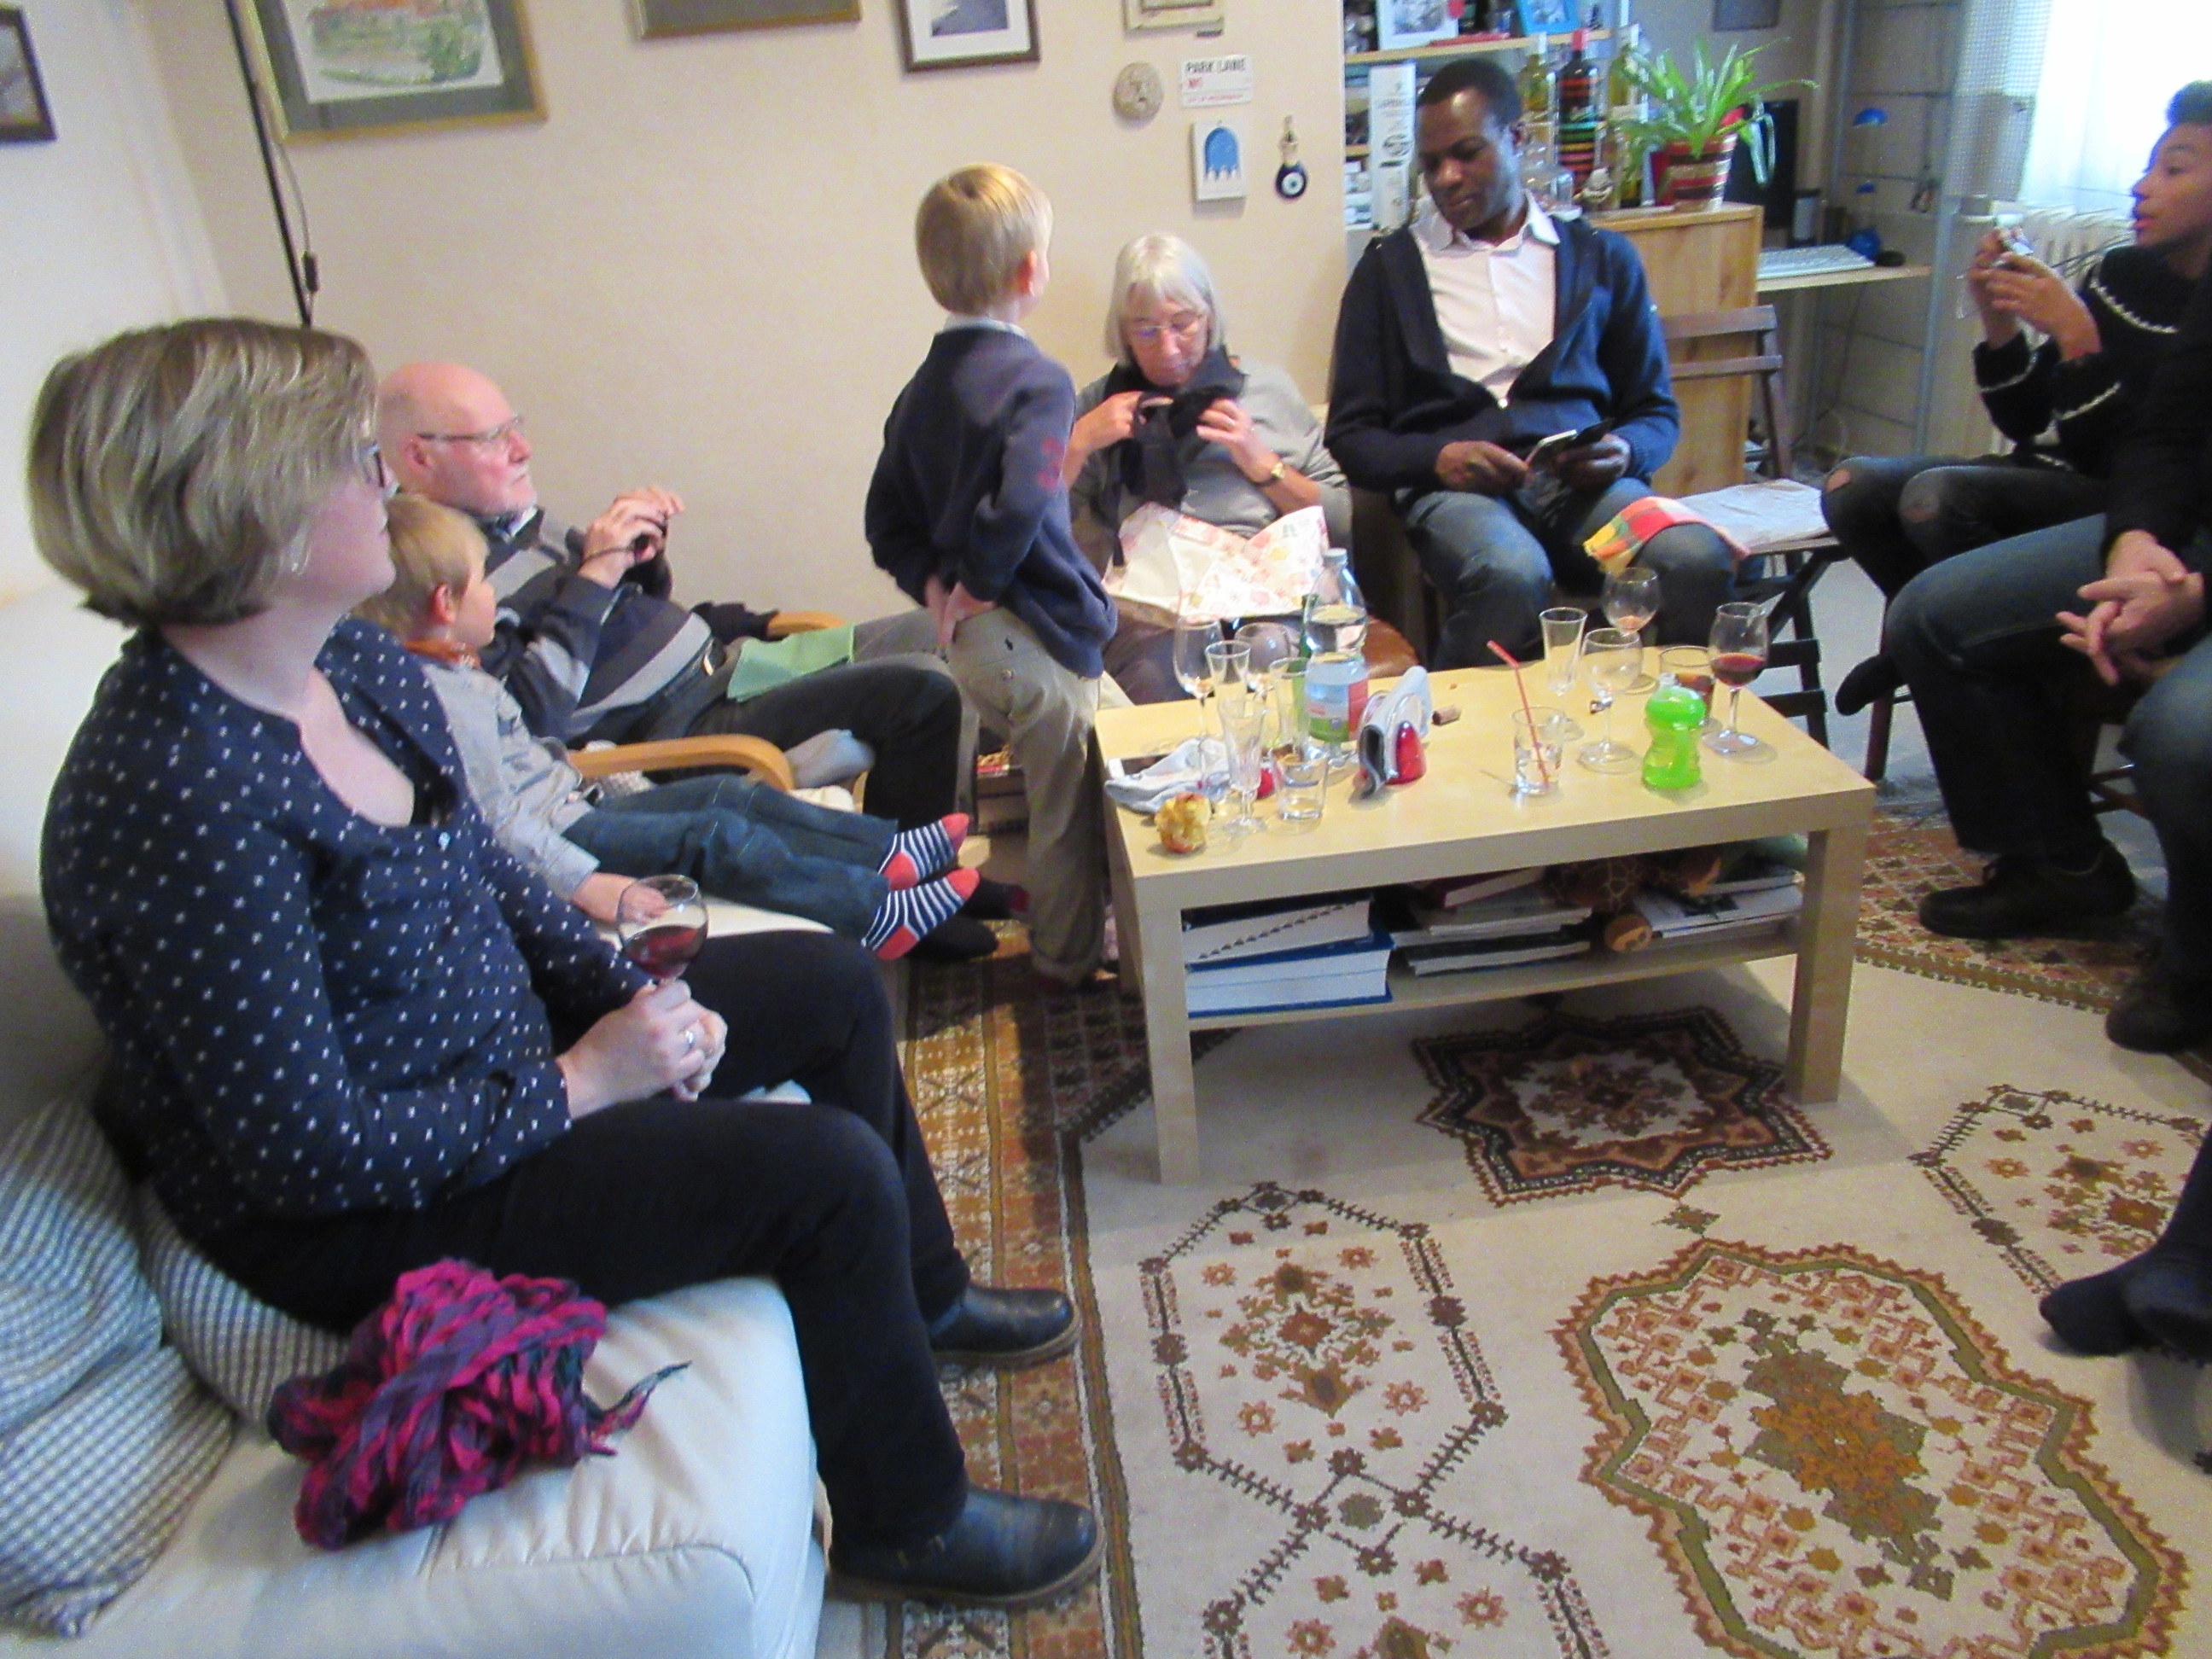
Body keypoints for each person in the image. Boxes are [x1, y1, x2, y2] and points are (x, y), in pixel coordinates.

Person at [32, 317, 1099, 1608]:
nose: (384, 484)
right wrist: (585, 1082)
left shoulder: (354, 661)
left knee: (826, 987)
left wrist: (640, 999)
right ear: (245, 510)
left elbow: (485, 868)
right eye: (351, 461)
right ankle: (906, 1525)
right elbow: (306, 1152)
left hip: (493, 1066)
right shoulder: (170, 798)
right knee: (818, 1174)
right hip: (376, 1203)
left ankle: (922, 1298)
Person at [360, 493, 980, 958]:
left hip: (604, 775)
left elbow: (528, 748)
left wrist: (643, 568)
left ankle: (886, 852)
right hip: (585, 812)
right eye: (483, 588)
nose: (495, 602)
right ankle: (874, 913)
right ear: (445, 603)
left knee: (730, 796)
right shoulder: (445, 695)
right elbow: (497, 816)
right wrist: (581, 881)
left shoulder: (461, 656)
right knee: (714, 832)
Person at [375, 360, 967, 834]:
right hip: (681, 725)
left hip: (732, 667)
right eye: (492, 438)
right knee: (922, 687)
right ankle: (920, 890)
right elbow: (526, 723)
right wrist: (597, 571)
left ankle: (939, 853)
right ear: (419, 457)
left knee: (937, 627)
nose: (522, 448)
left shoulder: (516, 520)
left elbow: (619, 613)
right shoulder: (432, 573)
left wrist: (640, 560)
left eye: (515, 426)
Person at [1886, 259, 2212, 1053]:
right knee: (1929, 614)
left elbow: (2103, 439)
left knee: (2180, 734)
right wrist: (2135, 542)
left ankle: (2195, 965)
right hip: (2178, 530)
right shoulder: (2124, 272)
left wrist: (2198, 597)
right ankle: (2060, 867)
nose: (2139, 196)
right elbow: (2164, 436)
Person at [1324, 55, 1734, 669]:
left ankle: (1674, 716)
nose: (1446, 178)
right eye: (1431, 164)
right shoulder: (1388, 272)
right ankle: (1448, 719)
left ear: (1517, 139)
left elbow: (1656, 414)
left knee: (1695, 557)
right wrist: (1437, 458)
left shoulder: (1603, 258)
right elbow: (1351, 437)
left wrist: (1624, 451)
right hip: (1459, 498)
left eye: (1467, 153)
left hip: (1589, 492)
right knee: (1511, 573)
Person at [1823, 82, 2212, 715]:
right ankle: (1929, 651)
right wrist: (1998, 323)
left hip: (2122, 507)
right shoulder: (2120, 272)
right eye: (2147, 166)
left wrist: (2079, 340)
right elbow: (2026, 420)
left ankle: (1968, 654)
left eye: (2174, 170)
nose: (2142, 187)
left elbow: (2136, 462)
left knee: (1937, 497)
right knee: (1856, 485)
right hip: (2049, 476)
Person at [866, 166, 1119, 991]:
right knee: (1065, 809)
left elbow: (884, 519)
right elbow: (1022, 503)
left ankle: (1121, 919)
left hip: (976, 645)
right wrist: (976, 581)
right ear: (1031, 270)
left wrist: (937, 590)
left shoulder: (918, 392)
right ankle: (1067, 961)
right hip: (1032, 636)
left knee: (1126, 754)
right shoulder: (1039, 380)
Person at [1062, 233, 1351, 701]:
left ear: (1209, 316)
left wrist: (1263, 465)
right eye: (1146, 330)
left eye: (1183, 325)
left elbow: (1339, 520)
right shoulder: (1100, 406)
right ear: (1122, 332)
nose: (1168, 348)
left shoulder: (1266, 391)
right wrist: (1078, 443)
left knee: (1268, 650)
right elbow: (1040, 528)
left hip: (1265, 602)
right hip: (1153, 615)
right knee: (1158, 672)